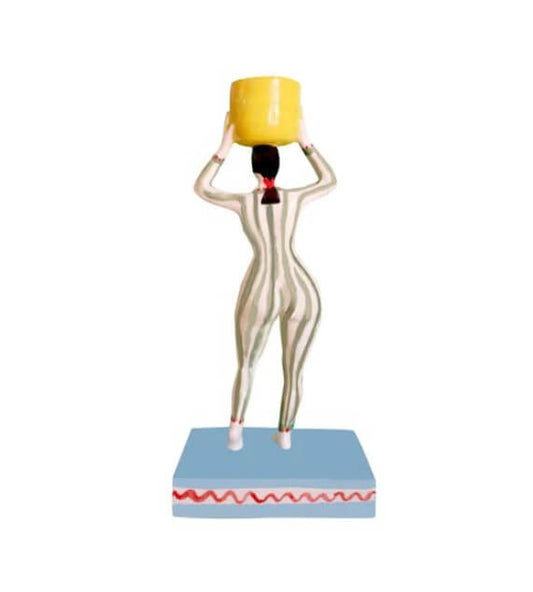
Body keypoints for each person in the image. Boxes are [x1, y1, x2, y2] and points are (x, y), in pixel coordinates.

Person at [194, 117, 336, 450]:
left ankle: (235, 432)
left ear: (253, 169)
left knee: (246, 363)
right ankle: (285, 435)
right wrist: (305, 141)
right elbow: (329, 180)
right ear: (278, 166)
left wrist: (224, 147)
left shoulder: (244, 202)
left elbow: (202, 188)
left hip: (262, 286)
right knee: (294, 371)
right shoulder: (294, 198)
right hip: (302, 287)